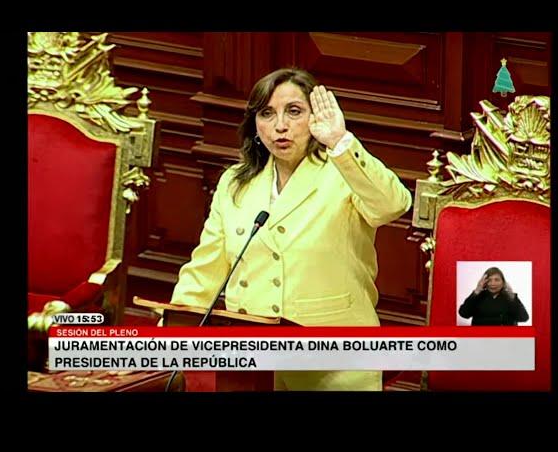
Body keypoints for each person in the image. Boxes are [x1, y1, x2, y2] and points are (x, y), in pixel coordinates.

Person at [170, 67, 412, 391]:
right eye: (267, 114)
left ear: (315, 119)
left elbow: (392, 204)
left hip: (331, 363)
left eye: (294, 112)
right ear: (255, 125)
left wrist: (340, 141)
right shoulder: (235, 183)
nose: (280, 126)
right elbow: (204, 275)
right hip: (252, 364)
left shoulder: (344, 172)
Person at [458, 267, 529, 325]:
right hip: (481, 339)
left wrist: (512, 297)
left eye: (497, 280)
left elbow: (524, 318)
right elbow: (464, 314)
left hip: (505, 339)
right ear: (484, 282)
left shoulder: (510, 297)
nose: (493, 283)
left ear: (503, 282)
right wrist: (476, 291)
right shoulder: (477, 296)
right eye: (489, 280)